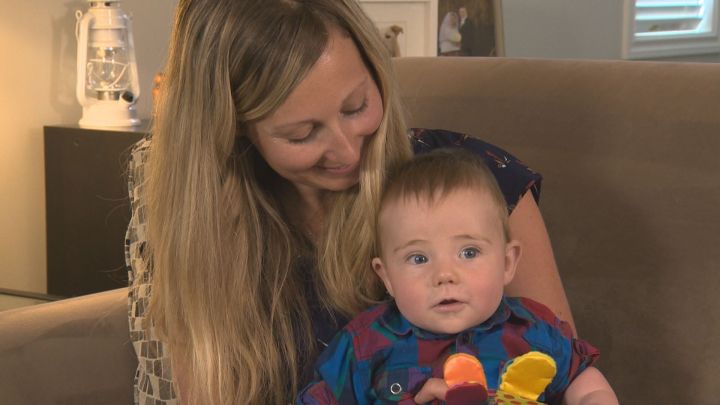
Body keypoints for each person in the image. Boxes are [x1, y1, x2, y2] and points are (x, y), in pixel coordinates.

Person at [126, 0, 576, 403]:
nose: (347, 151)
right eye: (302, 134)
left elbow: (562, 376)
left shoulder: (478, 186)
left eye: (356, 106)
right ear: (234, 128)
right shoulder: (208, 231)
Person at [297, 149, 618, 404]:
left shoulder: (534, 331)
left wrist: (595, 398)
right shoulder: (364, 344)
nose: (444, 275)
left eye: (469, 252)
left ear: (507, 262)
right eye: (419, 258)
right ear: (388, 277)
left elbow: (581, 378)